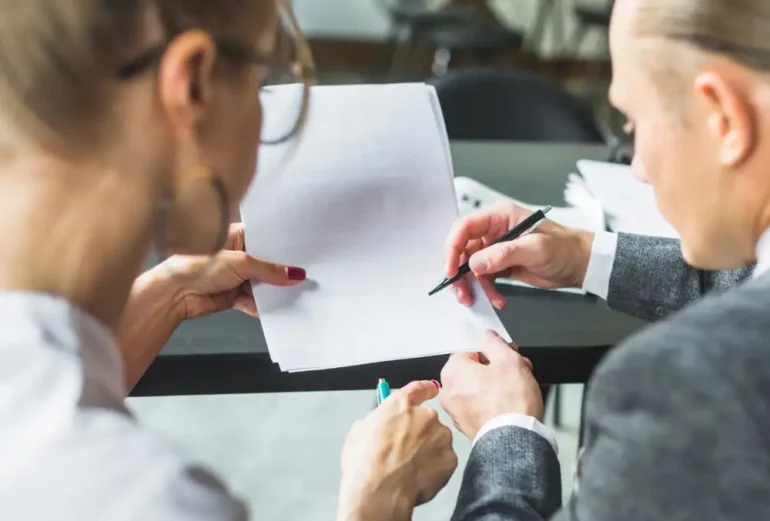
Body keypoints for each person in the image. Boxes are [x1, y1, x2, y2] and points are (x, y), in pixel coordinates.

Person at [0, 1, 457, 520]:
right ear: (193, 87)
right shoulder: (153, 500)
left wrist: (169, 294)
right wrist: (379, 501)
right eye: (262, 77)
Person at [440, 0, 770, 519]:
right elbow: (747, 286)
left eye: (634, 123)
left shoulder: (678, 386)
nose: (637, 168)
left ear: (723, 117)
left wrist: (504, 432)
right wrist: (583, 254)